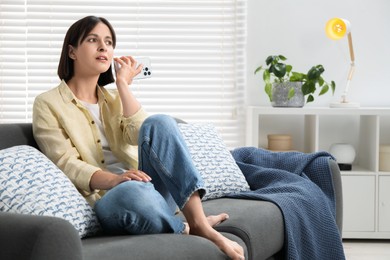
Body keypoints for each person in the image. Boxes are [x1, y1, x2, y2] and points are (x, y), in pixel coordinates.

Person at [32, 16, 244, 260]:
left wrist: (123, 84)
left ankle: (199, 224)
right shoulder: (47, 104)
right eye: (93, 40)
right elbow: (65, 163)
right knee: (131, 191)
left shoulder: (113, 99)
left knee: (161, 121)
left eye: (109, 42)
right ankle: (185, 227)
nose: (104, 47)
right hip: (116, 199)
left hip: (152, 191)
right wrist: (115, 180)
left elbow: (139, 132)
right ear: (72, 51)